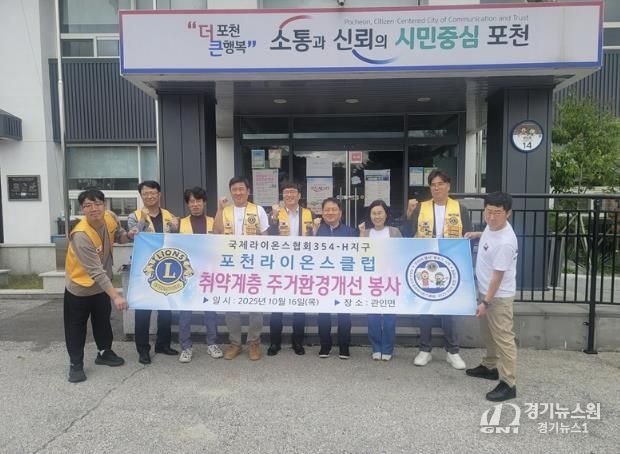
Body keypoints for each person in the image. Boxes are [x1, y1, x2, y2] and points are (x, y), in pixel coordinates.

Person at [407, 169, 471, 370]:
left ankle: (453, 351)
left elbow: (467, 237)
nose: (437, 188)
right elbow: (409, 233)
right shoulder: (421, 208)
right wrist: (409, 214)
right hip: (425, 263)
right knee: (426, 307)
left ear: (448, 186)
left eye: (440, 184)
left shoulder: (460, 209)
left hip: (450, 265)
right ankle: (425, 350)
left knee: (448, 308)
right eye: (433, 185)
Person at [63, 188, 129, 383]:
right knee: (76, 327)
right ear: (82, 209)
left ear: (104, 205)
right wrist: (116, 296)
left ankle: (104, 352)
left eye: (98, 204)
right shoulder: (81, 234)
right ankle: (75, 364)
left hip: (101, 287)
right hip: (80, 288)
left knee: (103, 321)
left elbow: (119, 235)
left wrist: (129, 235)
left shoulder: (110, 217)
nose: (94, 209)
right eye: (88, 205)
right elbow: (95, 271)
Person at [465, 192, 518, 402]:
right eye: (488, 211)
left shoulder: (506, 242)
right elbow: (489, 235)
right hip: (486, 290)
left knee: (503, 338)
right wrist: (477, 234)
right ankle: (489, 366)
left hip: (497, 297)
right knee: (488, 334)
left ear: (508, 213)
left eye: (498, 213)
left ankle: (509, 383)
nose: (492, 217)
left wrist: (486, 302)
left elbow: (498, 277)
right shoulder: (491, 227)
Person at [213, 176, 270, 361]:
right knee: (231, 304)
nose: (238, 192)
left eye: (241, 189)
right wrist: (219, 209)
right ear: (230, 192)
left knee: (255, 306)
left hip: (252, 265)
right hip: (230, 265)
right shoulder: (225, 210)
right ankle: (235, 343)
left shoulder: (258, 210)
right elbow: (216, 232)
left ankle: (254, 342)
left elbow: (265, 236)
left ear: (248, 191)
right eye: (234, 189)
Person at [127, 180, 179, 365]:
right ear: (141, 196)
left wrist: (176, 227)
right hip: (144, 269)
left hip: (165, 267)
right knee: (143, 310)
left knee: (165, 308)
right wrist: (142, 221)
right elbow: (132, 235)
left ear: (159, 195)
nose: (149, 196)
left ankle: (163, 344)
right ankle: (143, 349)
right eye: (145, 193)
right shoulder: (134, 216)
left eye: (153, 193)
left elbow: (176, 237)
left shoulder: (168, 215)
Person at [177, 186, 223, 363]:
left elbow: (221, 240)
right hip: (187, 274)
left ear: (204, 203)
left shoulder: (213, 221)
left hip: (209, 273)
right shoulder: (179, 223)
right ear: (187, 204)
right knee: (185, 312)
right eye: (191, 201)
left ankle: (212, 343)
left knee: (210, 310)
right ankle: (186, 347)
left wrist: (220, 208)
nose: (195, 204)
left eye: (198, 201)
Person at [267, 182, 314, 356]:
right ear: (282, 196)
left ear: (299, 195)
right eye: (286, 192)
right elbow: (269, 236)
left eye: (293, 192)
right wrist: (273, 218)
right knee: (277, 304)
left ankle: (297, 342)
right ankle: (275, 343)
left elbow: (315, 237)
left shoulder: (309, 213)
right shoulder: (275, 213)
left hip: (302, 264)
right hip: (280, 264)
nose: (289, 195)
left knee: (299, 305)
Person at [358, 199, 402, 361]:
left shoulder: (394, 232)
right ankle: (376, 347)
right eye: (374, 213)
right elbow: (360, 255)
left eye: (380, 213)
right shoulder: (366, 233)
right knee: (373, 317)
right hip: (372, 281)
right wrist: (361, 235)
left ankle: (388, 348)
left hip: (391, 280)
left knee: (390, 317)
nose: (377, 216)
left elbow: (402, 252)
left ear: (386, 214)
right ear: (370, 215)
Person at [315, 197, 358, 359]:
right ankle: (325, 345)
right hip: (322, 279)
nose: (330, 212)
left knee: (344, 314)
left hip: (343, 279)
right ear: (322, 213)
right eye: (327, 210)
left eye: (334, 209)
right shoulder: (316, 231)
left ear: (340, 212)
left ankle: (344, 346)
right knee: (323, 314)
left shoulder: (351, 232)